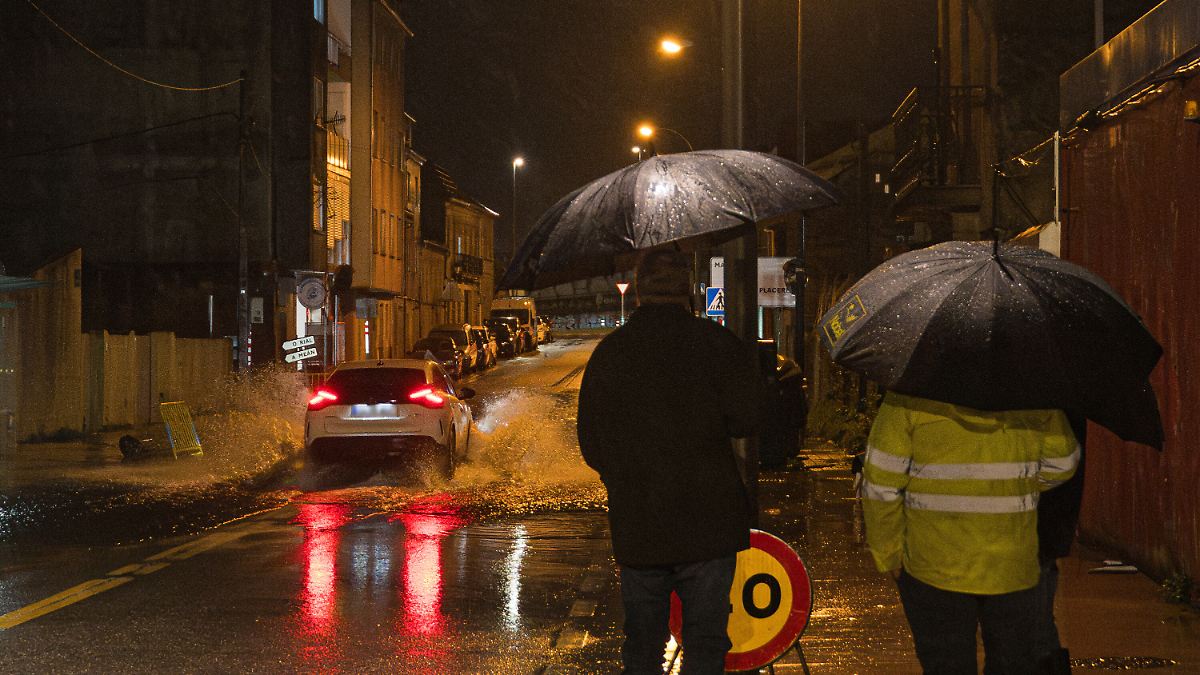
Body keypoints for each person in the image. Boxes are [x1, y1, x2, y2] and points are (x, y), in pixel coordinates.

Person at [576, 248, 764, 674]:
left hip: (640, 521)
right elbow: (747, 420)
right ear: (688, 291)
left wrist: (624, 480)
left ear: (639, 292)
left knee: (643, 645)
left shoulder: (612, 352)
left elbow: (592, 442)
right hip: (710, 521)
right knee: (706, 644)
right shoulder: (718, 345)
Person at [860, 391, 1080, 674]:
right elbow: (1063, 462)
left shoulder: (909, 396)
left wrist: (889, 552)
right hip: (1012, 564)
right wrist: (1015, 484)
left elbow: (880, 483)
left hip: (933, 564)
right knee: (1012, 664)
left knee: (946, 666)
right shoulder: (1031, 393)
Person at [1033, 413, 1088, 674]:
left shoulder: (1049, 410)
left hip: (1035, 529)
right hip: (1047, 527)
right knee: (1039, 620)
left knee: (1033, 621)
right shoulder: (1065, 404)